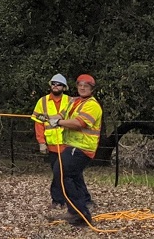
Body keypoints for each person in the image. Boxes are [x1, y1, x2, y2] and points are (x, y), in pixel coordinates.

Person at [48, 73, 102, 228]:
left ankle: (79, 213)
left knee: (62, 174)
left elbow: (80, 123)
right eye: (80, 85)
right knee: (73, 177)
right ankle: (79, 212)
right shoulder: (75, 101)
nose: (83, 88)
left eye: (86, 86)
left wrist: (58, 122)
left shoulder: (92, 105)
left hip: (82, 148)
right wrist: (50, 118)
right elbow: (62, 114)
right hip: (71, 147)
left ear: (92, 89)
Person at [31, 73, 71, 215]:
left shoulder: (70, 101)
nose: (55, 86)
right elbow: (38, 123)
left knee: (67, 173)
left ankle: (69, 199)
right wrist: (41, 142)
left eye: (59, 84)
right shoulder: (42, 102)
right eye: (53, 83)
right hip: (53, 145)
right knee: (56, 173)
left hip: (68, 144)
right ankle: (57, 200)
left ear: (64, 87)